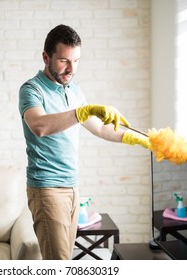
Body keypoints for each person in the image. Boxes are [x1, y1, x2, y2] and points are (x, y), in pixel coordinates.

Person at [18, 24, 149, 260]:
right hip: (47, 189)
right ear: (46, 57)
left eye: (76, 61)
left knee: (66, 259)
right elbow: (39, 126)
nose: (71, 69)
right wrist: (82, 112)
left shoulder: (74, 90)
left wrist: (139, 139)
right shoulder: (31, 89)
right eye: (64, 60)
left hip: (72, 186)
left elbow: (99, 128)